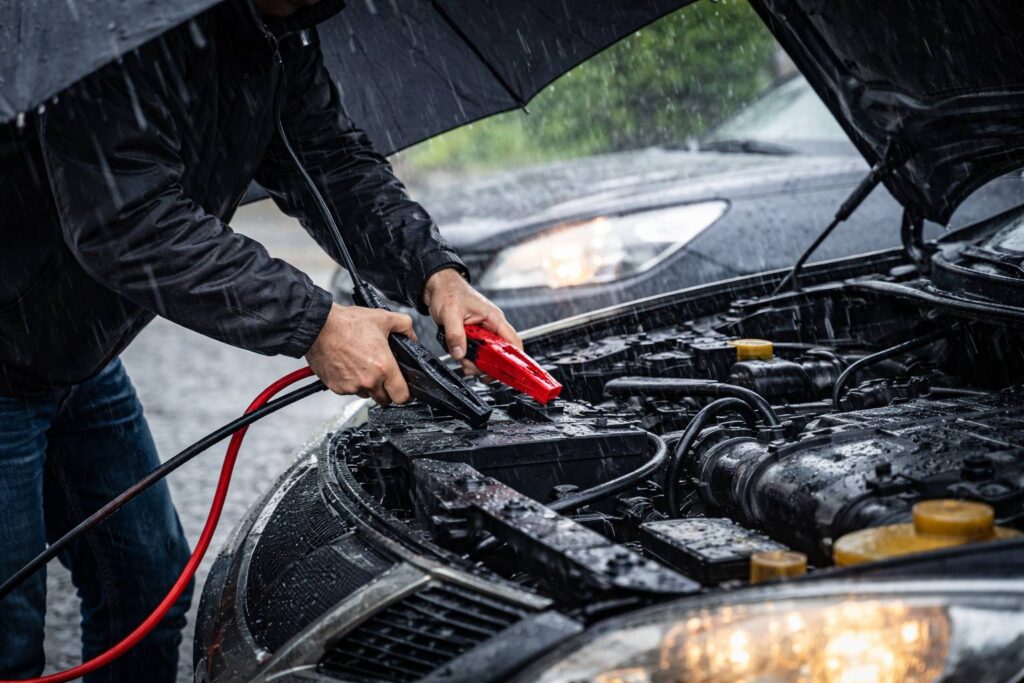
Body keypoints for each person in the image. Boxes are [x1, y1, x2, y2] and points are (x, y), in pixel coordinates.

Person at [0, 0, 520, 679]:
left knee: (144, 591)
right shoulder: (113, 30)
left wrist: (435, 272)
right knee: (8, 633)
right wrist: (315, 322)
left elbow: (332, 163)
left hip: (75, 359)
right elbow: (128, 223)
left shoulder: (271, 35)